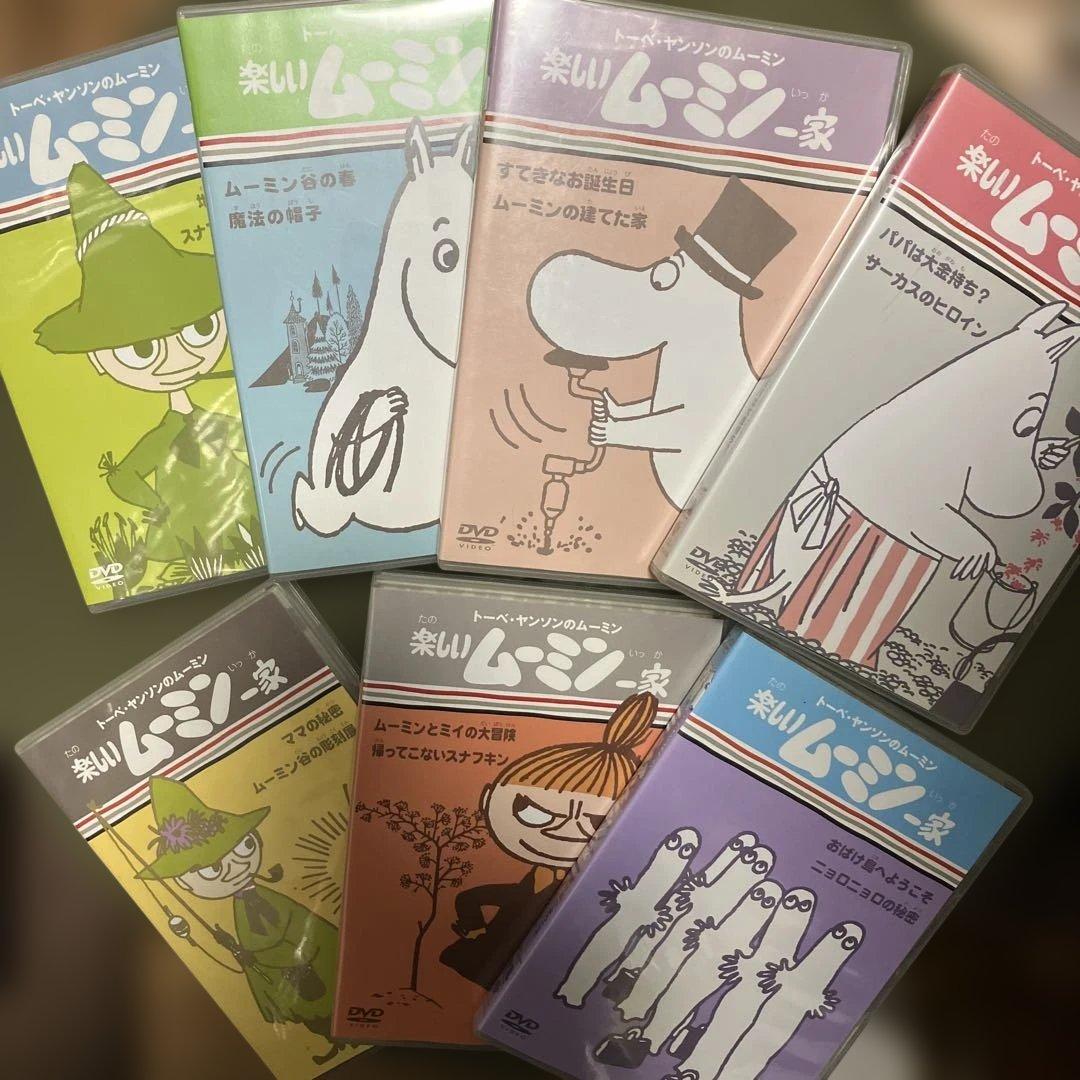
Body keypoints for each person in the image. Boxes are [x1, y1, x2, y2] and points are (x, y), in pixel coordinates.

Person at [35, 163, 259, 586]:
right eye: (142, 350)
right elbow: (123, 475)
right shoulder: (166, 433)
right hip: (188, 534)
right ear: (98, 359)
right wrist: (157, 506)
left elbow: (245, 439)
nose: (181, 359)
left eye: (202, 328)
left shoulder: (211, 419)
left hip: (251, 523)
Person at [440, 692, 658, 989]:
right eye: (534, 813)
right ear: (489, 798)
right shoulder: (533, 881)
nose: (564, 830)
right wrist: (474, 928)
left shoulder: (584, 886)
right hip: (488, 962)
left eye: (594, 821)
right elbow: (474, 898)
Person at [136, 778, 345, 1065]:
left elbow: (288, 928)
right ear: (185, 884)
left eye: (244, 845)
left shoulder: (269, 899)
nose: (236, 866)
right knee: (303, 1009)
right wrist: (237, 951)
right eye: (213, 868)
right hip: (278, 975)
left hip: (306, 959)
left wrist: (261, 956)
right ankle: (334, 1041)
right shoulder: (242, 908)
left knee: (330, 991)